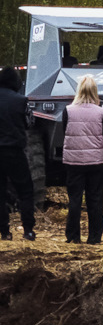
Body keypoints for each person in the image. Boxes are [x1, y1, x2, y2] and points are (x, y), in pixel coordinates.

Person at [60, 76, 103, 244]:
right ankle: (94, 237)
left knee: (74, 199)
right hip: (95, 162)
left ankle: (73, 236)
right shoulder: (101, 111)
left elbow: (65, 132)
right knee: (95, 199)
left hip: (73, 161)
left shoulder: (68, 110)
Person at [0, 68, 34, 241]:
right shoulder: (21, 101)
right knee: (26, 191)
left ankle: (4, 232)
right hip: (14, 152)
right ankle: (28, 230)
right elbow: (29, 123)